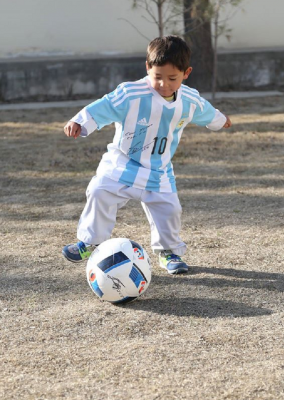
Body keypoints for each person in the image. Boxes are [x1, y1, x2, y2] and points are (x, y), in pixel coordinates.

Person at [62, 35, 232, 275]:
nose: (164, 84)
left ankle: (168, 252)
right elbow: (104, 106)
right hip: (122, 164)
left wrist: (221, 120)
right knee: (99, 192)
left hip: (158, 170)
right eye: (157, 77)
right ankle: (90, 243)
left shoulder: (189, 100)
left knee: (169, 210)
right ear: (147, 69)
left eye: (172, 78)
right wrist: (79, 121)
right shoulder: (131, 93)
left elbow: (206, 110)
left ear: (187, 73)